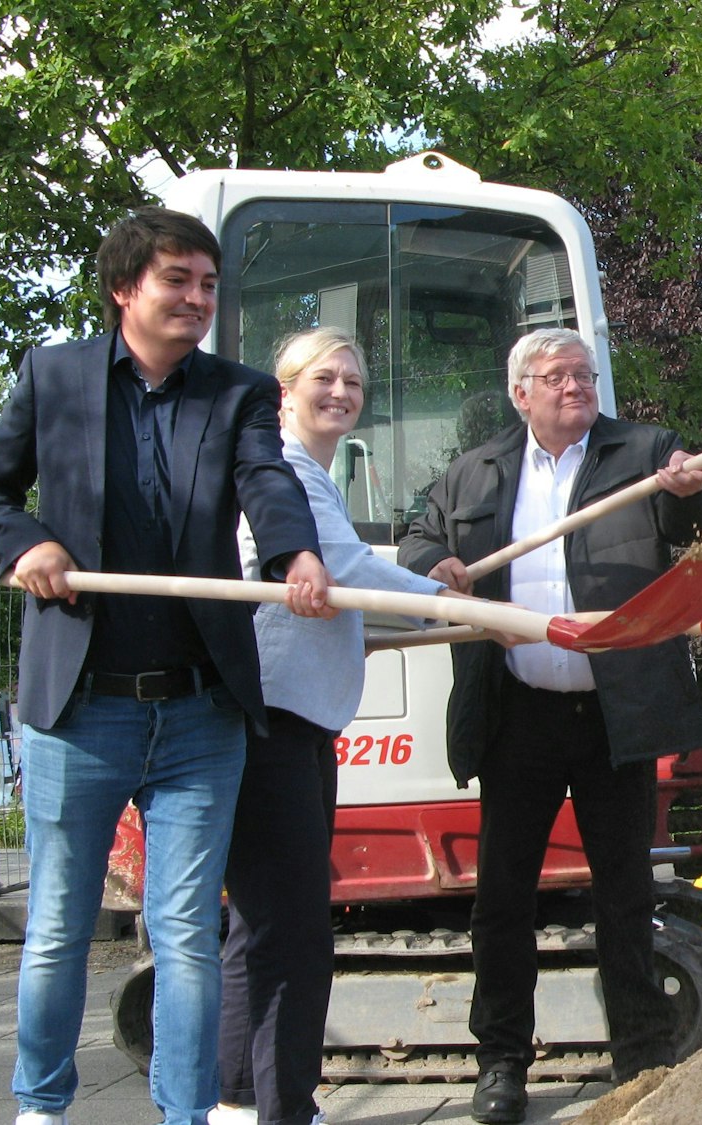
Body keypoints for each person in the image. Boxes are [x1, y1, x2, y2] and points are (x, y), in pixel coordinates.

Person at [0, 207, 332, 1125]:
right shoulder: (54, 377)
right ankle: (41, 1106)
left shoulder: (238, 392)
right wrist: (26, 543)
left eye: (209, 285)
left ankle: (186, 1114)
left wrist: (295, 557)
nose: (198, 299)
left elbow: (266, 479)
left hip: (202, 713)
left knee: (187, 938)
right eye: (178, 280)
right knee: (56, 932)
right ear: (127, 287)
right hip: (81, 709)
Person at [397, 327, 702, 1124]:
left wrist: (693, 495)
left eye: (584, 373)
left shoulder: (648, 453)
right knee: (503, 898)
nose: (576, 385)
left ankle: (642, 1057)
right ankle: (502, 1062)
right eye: (557, 375)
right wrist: (430, 563)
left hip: (615, 716)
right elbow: (416, 533)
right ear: (522, 393)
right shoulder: (476, 471)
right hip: (518, 717)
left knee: (623, 893)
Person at [213, 329, 475, 1125]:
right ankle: (282, 1107)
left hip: (292, 717)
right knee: (290, 929)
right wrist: (451, 606)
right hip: (277, 719)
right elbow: (346, 575)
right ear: (284, 391)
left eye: (353, 379)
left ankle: (237, 1099)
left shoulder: (313, 479)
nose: (341, 390)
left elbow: (352, 581)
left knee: (258, 923)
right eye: (323, 376)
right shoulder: (286, 472)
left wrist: (428, 588)